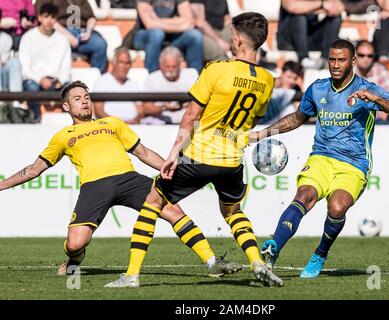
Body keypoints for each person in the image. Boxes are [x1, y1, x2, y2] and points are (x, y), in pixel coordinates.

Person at [105, 12, 284, 288]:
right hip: (233, 159)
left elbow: (189, 117)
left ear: (237, 39)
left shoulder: (216, 69)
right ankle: (257, 262)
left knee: (152, 202)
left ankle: (131, 275)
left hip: (200, 154)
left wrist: (173, 155)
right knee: (233, 212)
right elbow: (251, 123)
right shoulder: (268, 80)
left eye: (232, 35)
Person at [0, 80, 242, 279]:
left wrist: (172, 169)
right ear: (65, 106)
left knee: (173, 210)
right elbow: (33, 170)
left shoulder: (112, 123)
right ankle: (75, 259)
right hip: (94, 187)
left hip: (129, 179)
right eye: (77, 98)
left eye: (86, 96)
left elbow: (144, 153)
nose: (84, 100)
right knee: (75, 244)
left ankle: (212, 262)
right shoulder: (62, 136)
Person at [253, 39, 389, 279]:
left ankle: (320, 254)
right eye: (332, 59)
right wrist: (263, 133)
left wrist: (377, 100)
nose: (335, 65)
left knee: (337, 208)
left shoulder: (367, 89)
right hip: (321, 158)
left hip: (354, 164)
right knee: (304, 196)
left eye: (341, 60)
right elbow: (297, 117)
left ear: (353, 61)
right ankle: (274, 247)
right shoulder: (317, 88)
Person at [19, 3, 71, 122]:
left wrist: (60, 81)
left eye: (53, 17)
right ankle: (35, 121)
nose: (49, 20)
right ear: (39, 17)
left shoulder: (62, 40)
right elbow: (24, 68)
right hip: (35, 81)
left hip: (55, 83)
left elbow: (66, 68)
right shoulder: (28, 37)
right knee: (30, 87)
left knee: (71, 89)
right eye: (46, 16)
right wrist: (40, 80)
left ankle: (72, 125)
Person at [125, 0, 203, 73]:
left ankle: (195, 79)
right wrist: (181, 26)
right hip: (143, 36)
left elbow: (189, 20)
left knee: (195, 35)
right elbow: (149, 24)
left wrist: (157, 21)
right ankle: (152, 77)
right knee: (157, 34)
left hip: (169, 37)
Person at [35, 0, 108, 73]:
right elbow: (46, 19)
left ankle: (96, 77)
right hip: (59, 31)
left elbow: (91, 17)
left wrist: (88, 32)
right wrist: (68, 36)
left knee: (100, 44)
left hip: (82, 31)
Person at [277, 0, 344, 69]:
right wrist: (322, 5)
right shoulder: (321, 2)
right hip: (289, 41)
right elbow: (292, 7)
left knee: (336, 18)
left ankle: (325, 59)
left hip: (309, 39)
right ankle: (304, 59)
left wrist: (308, 8)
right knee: (298, 15)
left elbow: (338, 7)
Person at [140, 46, 198, 124]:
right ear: (160, 65)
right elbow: (146, 108)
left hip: (188, 122)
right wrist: (165, 107)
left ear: (180, 65)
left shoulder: (191, 75)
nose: (170, 70)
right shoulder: (152, 79)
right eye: (167, 67)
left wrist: (183, 105)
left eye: (174, 66)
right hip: (161, 123)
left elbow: (200, 103)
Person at [93, 47, 144, 124]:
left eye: (128, 63)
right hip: (109, 127)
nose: (125, 66)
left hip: (133, 127)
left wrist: (136, 120)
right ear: (114, 63)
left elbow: (140, 111)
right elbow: (98, 111)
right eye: (121, 62)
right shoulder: (102, 81)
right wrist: (119, 123)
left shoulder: (134, 83)